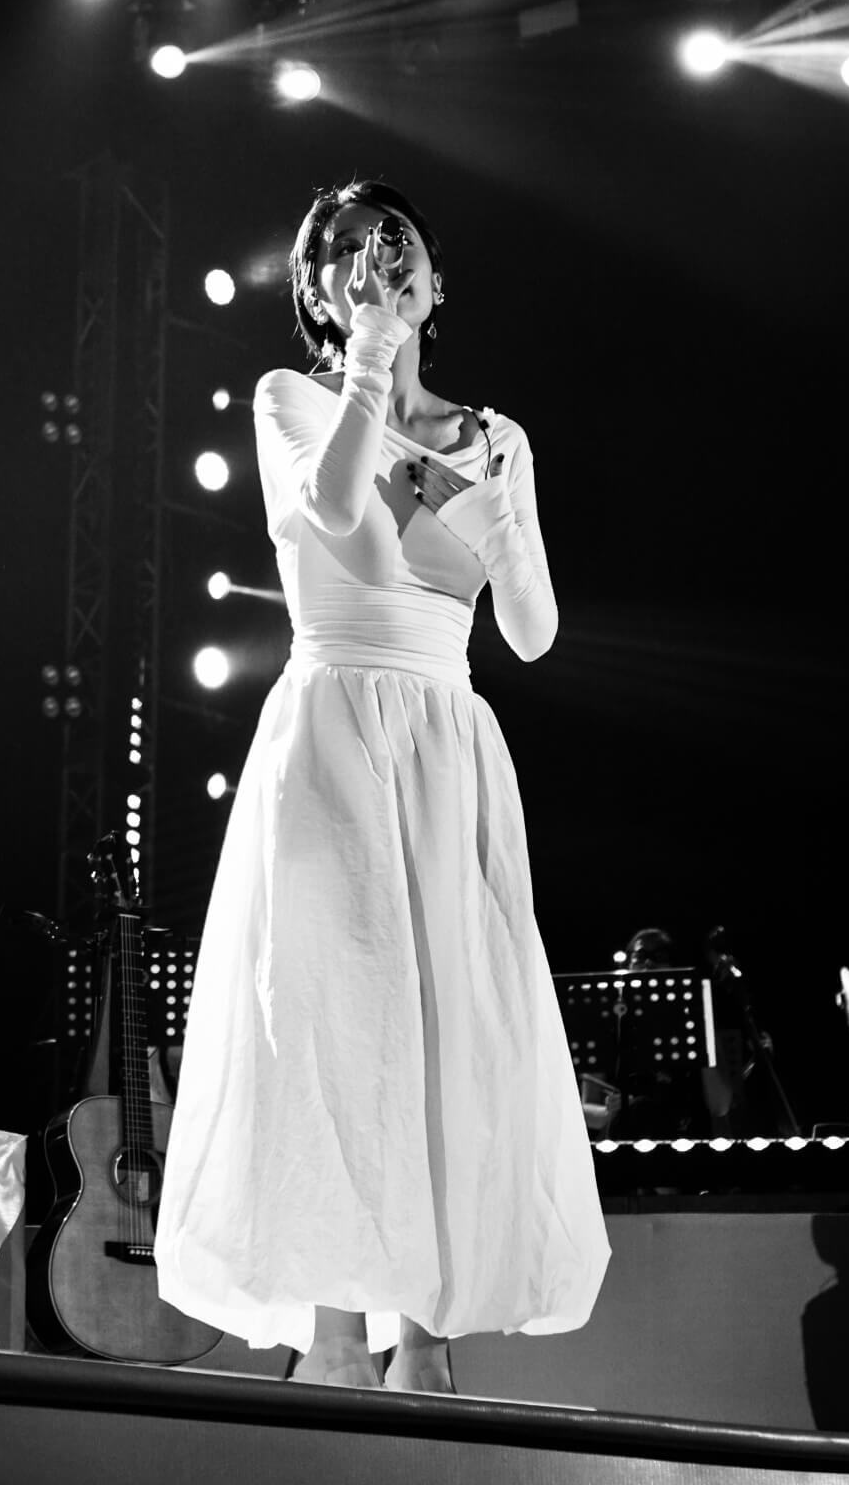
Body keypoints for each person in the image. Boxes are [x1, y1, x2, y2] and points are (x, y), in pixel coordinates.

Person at [154, 178, 610, 1392]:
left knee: (452, 1028)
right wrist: (367, 357)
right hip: (334, 730)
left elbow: (530, 634)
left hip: (447, 741)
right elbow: (344, 524)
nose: (371, 262)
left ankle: (426, 1340)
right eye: (342, 251)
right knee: (332, 1022)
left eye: (391, 246)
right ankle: (338, 1341)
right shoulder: (291, 397)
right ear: (316, 289)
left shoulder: (497, 437)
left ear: (434, 282)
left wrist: (502, 521)